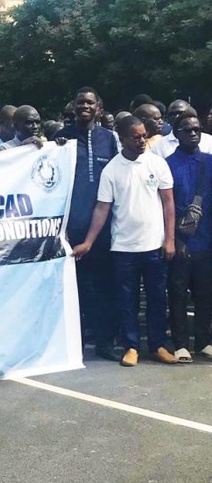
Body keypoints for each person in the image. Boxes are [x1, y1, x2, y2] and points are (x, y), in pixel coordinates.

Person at [72, 116, 177, 367]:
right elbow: (102, 209)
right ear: (122, 138)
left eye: (144, 136)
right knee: (127, 301)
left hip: (154, 245)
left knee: (156, 298)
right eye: (136, 137)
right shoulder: (111, 170)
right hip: (123, 248)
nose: (142, 141)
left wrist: (170, 239)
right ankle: (132, 346)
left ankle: (157, 345)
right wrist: (88, 242)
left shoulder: (157, 163)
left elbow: (168, 203)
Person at [54, 87, 119, 360]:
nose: (85, 106)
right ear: (73, 106)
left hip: (104, 227)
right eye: (80, 102)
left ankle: (105, 343)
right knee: (76, 287)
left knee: (105, 285)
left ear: (98, 108)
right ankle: (75, 345)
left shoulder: (110, 139)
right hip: (73, 225)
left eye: (90, 103)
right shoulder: (61, 138)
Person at [165, 113, 212, 362]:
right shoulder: (167, 164)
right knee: (178, 293)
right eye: (187, 130)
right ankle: (181, 343)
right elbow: (165, 206)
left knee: (205, 293)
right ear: (176, 134)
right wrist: (174, 239)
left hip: (207, 239)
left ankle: (204, 341)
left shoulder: (210, 162)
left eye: (196, 129)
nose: (193, 133)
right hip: (180, 240)